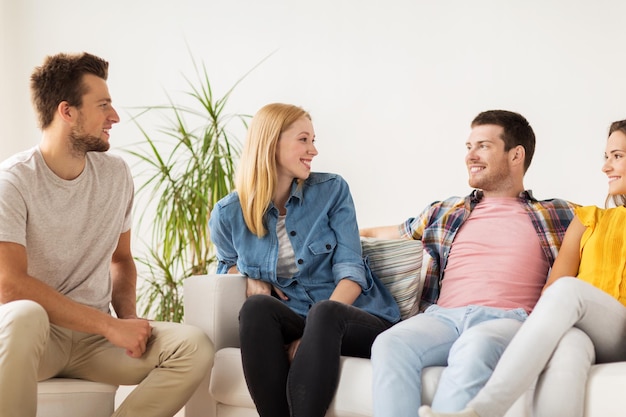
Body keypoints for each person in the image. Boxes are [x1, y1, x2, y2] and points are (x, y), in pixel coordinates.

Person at [0, 52, 214, 417]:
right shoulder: (14, 181)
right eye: (103, 106)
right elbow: (9, 284)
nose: (114, 117)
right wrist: (109, 326)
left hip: (94, 344)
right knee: (24, 315)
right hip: (36, 340)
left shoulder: (116, 175)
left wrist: (127, 318)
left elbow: (122, 258)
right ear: (67, 112)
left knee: (195, 346)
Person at [361, 110, 595, 417]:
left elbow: (609, 225)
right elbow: (382, 233)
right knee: (390, 344)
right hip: (442, 317)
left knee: (475, 346)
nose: (470, 155)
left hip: (510, 319)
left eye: (482, 146)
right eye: (468, 147)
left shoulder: (560, 213)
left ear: (516, 155)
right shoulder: (446, 210)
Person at [418, 119, 626, 417]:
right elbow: (552, 290)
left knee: (568, 291)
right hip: (587, 328)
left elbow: (564, 290)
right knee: (570, 345)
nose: (606, 167)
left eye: (617, 156)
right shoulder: (588, 219)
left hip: (621, 330)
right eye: (605, 157)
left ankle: (483, 409)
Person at [208, 103, 401, 417]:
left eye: (313, 140)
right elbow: (224, 265)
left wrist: (310, 334)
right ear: (272, 143)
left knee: (325, 313)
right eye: (304, 140)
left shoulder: (332, 190)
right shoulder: (229, 213)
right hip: (296, 313)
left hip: (356, 317)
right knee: (256, 308)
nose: (313, 150)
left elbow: (351, 273)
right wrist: (249, 277)